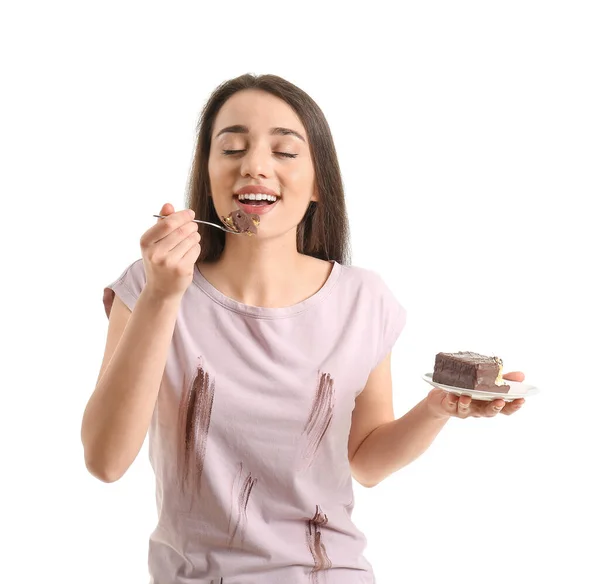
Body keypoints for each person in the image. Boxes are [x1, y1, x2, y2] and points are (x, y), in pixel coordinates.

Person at [81, 74, 526, 584]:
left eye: (285, 151)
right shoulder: (149, 285)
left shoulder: (363, 300)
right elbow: (106, 460)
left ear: (318, 183)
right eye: (231, 148)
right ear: (207, 174)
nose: (254, 165)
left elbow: (367, 462)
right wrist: (163, 296)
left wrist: (438, 408)